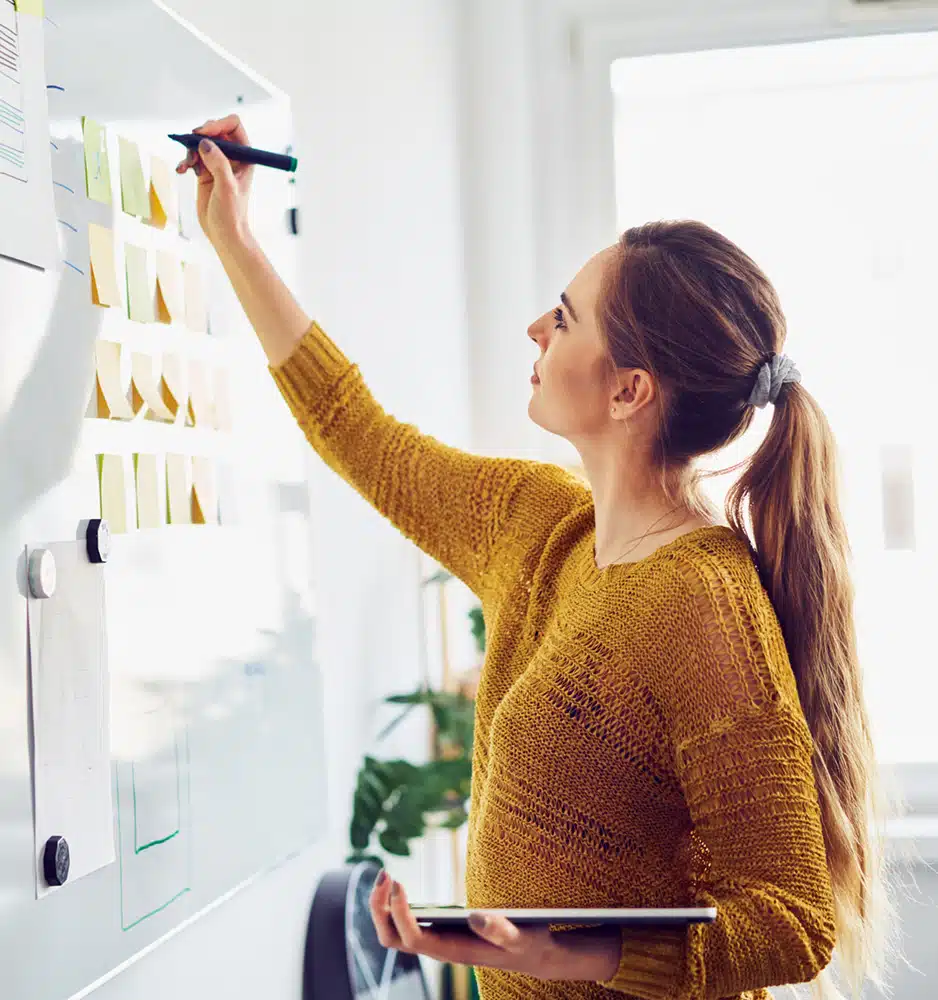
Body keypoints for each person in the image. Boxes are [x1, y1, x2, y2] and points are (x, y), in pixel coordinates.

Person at [179, 116, 900, 1000]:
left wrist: (567, 952)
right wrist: (237, 239)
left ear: (630, 390)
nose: (534, 329)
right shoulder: (542, 524)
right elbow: (359, 433)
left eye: (563, 319)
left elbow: (791, 919)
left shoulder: (702, 605)